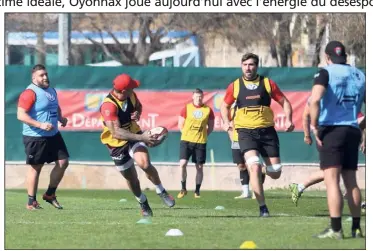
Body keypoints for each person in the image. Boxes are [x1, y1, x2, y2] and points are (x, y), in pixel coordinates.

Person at [220, 53, 294, 217]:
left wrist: (289, 119)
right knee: (253, 166)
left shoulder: (267, 83)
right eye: (245, 64)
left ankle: (261, 173)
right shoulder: (235, 86)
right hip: (245, 132)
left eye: (251, 64)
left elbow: (285, 102)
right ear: (241, 66)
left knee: (275, 172)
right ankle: (263, 208)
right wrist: (226, 122)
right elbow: (224, 106)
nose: (248, 68)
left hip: (267, 132)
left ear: (256, 66)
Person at [309, 41, 365, 239]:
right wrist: (364, 132)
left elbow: (314, 100)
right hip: (353, 130)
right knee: (351, 181)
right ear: (346, 56)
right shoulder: (360, 75)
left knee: (331, 180)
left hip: (332, 130)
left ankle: (335, 228)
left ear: (327, 57)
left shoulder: (324, 72)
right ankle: (357, 228)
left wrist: (313, 126)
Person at [99, 73, 175, 217]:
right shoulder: (109, 106)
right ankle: (142, 201)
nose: (134, 89)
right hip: (116, 144)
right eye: (131, 87)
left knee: (145, 164)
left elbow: (139, 106)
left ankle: (161, 190)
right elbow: (116, 132)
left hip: (134, 135)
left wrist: (137, 114)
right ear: (123, 91)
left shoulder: (131, 95)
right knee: (131, 179)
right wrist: (142, 137)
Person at [289, 98, 366, 207]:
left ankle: (299, 187)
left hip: (343, 139)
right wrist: (307, 135)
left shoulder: (345, 97)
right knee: (333, 170)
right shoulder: (319, 95)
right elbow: (306, 114)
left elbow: (361, 121)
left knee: (335, 170)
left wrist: (364, 139)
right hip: (327, 139)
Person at [17, 64, 69, 210]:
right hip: (35, 136)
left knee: (63, 162)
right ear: (34, 78)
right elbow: (20, 115)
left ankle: (50, 194)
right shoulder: (29, 93)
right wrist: (39, 125)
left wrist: (60, 117)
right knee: (36, 168)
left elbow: (55, 106)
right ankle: (31, 201)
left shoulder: (51, 90)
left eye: (46, 74)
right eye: (41, 75)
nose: (45, 77)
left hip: (53, 134)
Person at [177, 88, 215, 199]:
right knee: (183, 164)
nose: (199, 98)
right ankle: (183, 189)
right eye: (197, 96)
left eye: (200, 96)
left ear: (203, 97)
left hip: (200, 142)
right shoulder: (187, 108)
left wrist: (203, 135)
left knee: (199, 167)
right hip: (186, 141)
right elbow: (180, 125)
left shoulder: (208, 110)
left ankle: (197, 191)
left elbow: (211, 126)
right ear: (193, 96)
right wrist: (187, 135)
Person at [228, 103, 266, 199]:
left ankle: (255, 191)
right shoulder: (231, 110)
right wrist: (232, 139)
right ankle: (246, 192)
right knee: (241, 166)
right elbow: (229, 125)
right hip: (236, 140)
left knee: (251, 165)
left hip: (248, 139)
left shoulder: (249, 108)